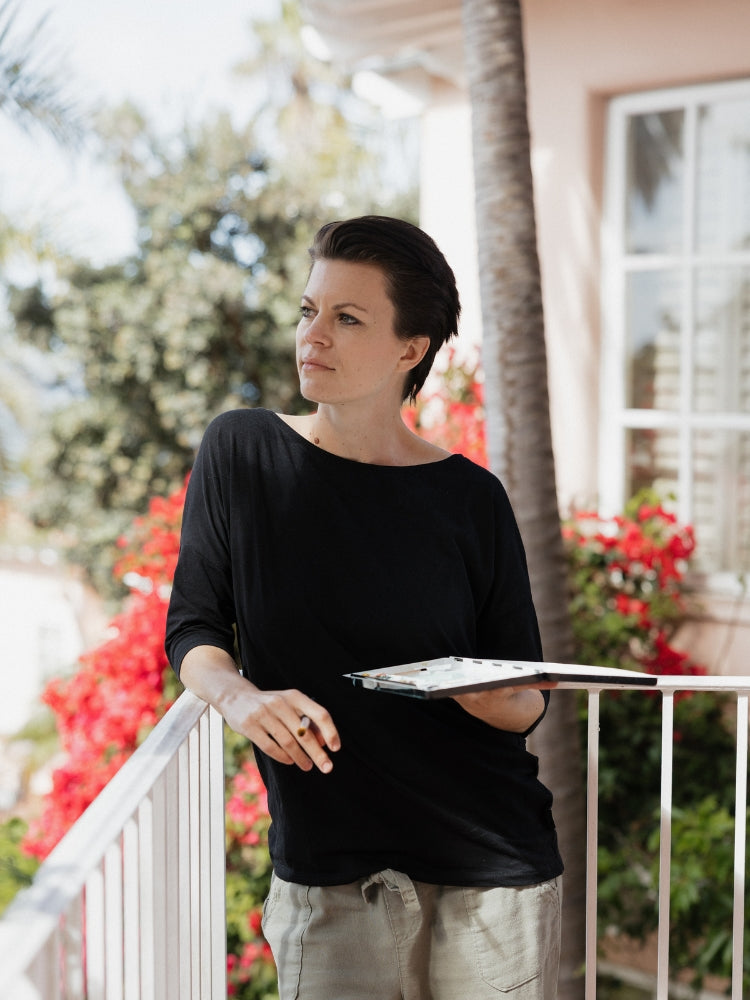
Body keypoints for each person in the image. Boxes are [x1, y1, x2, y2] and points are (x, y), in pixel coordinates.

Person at [165, 215, 563, 1000]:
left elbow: (525, 702)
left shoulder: (472, 499)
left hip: (491, 872)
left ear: (410, 350)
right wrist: (241, 699)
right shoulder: (242, 453)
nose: (314, 336)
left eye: (348, 319)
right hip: (330, 872)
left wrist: (482, 692)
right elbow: (195, 628)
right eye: (310, 311)